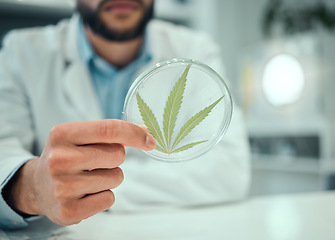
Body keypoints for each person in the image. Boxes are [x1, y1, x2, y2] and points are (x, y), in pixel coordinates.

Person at [0, 0, 250, 230]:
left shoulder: (196, 47)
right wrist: (32, 187)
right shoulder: (21, 51)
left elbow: (229, 171)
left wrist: (85, 188)